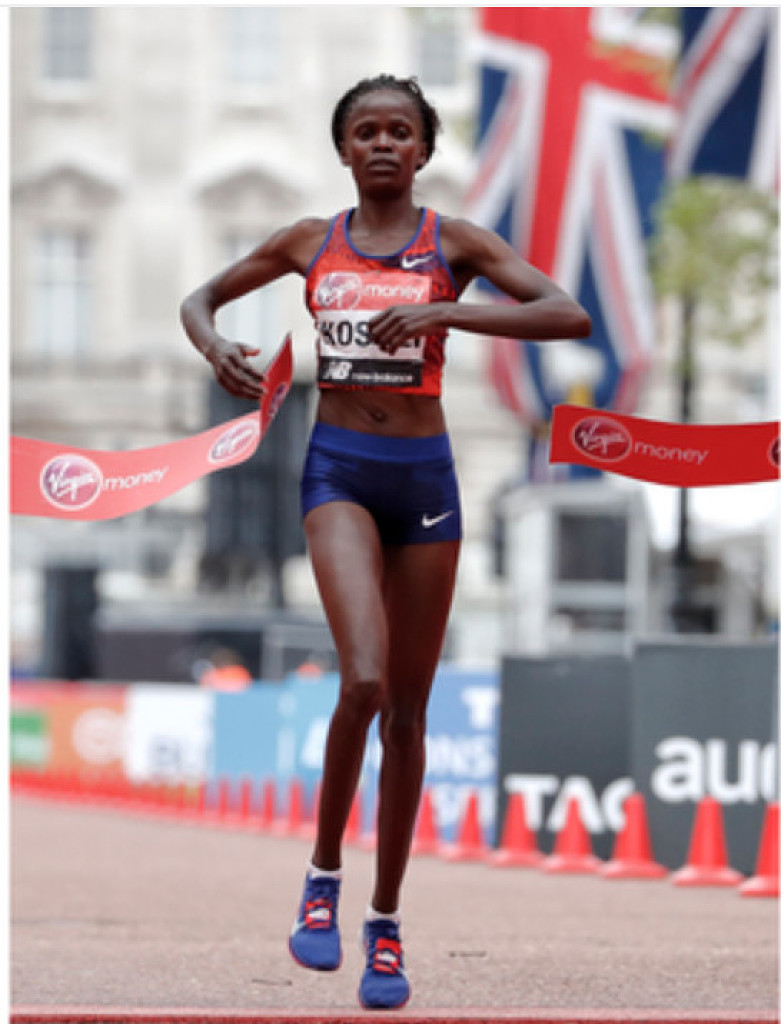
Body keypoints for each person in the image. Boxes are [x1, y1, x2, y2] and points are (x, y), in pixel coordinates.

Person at [181, 74, 591, 1010]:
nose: (380, 144)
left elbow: (565, 312)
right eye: (364, 131)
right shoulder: (307, 241)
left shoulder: (456, 243)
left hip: (426, 483)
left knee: (408, 713)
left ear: (422, 151)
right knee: (362, 680)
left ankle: (386, 923)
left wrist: (449, 310)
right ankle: (321, 878)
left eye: (398, 132)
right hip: (338, 473)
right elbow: (200, 299)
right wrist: (217, 347)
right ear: (343, 149)